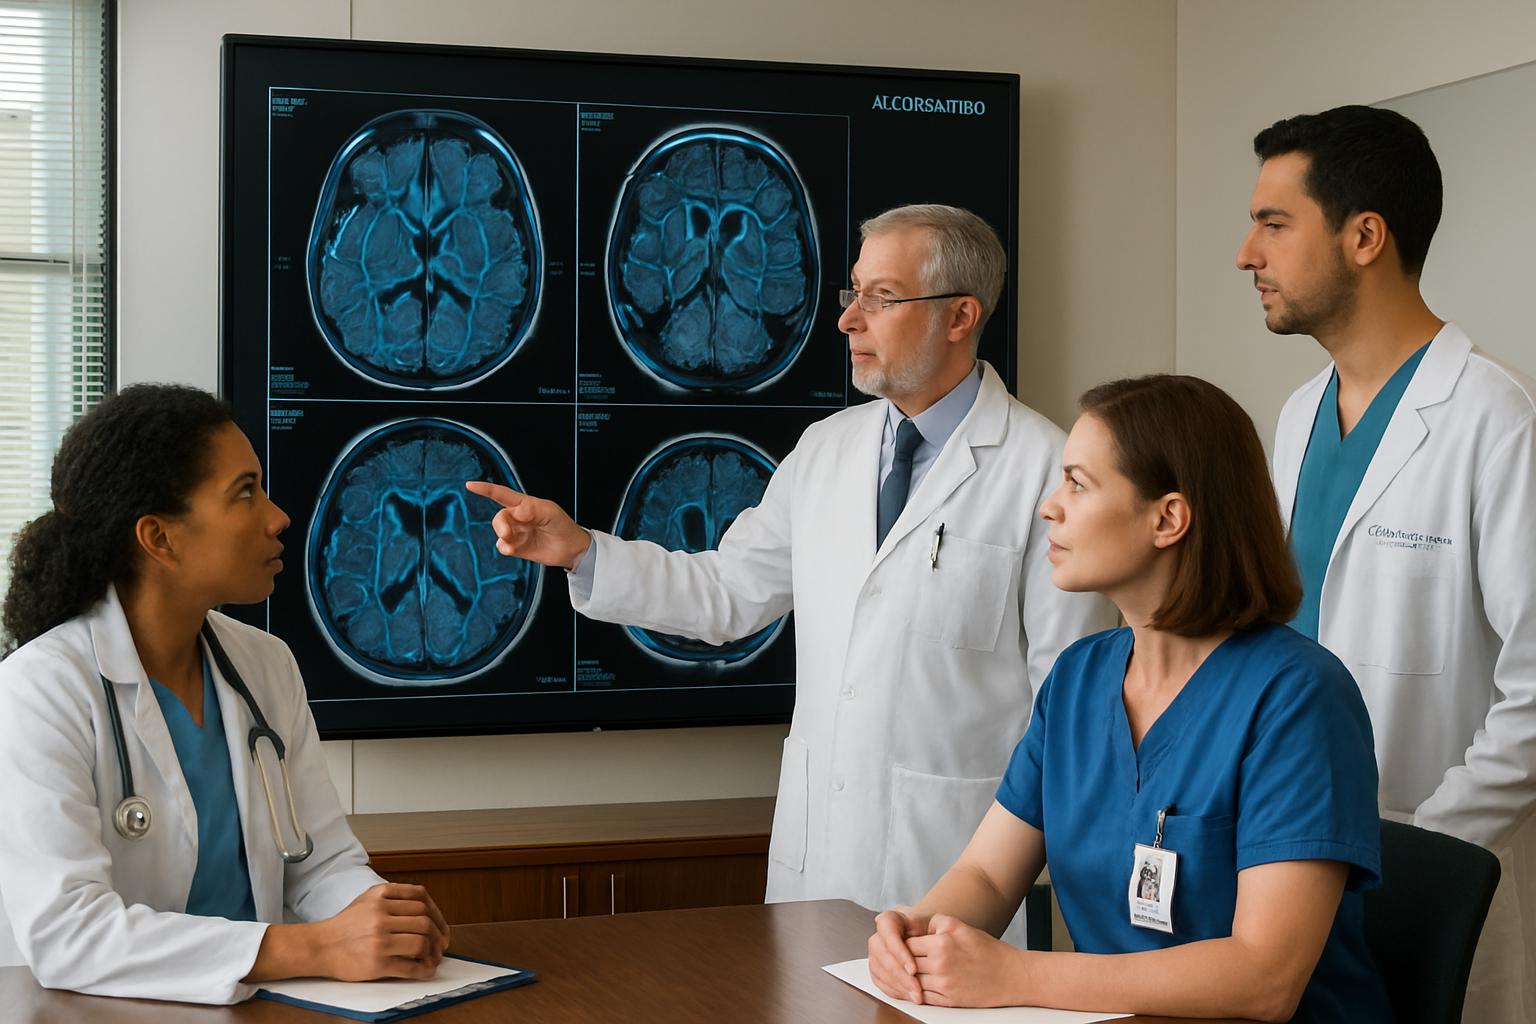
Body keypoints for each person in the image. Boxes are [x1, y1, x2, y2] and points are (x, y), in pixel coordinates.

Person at [469, 204, 1111, 939]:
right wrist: (584, 550)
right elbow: (727, 595)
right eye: (853, 292)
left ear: (960, 315)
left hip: (958, 880)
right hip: (818, 872)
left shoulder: (1044, 469)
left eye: (881, 297)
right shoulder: (825, 450)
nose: (848, 320)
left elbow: (1069, 707)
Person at [867, 375, 1391, 1023]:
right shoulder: (1080, 678)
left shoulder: (1299, 698)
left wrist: (1017, 972)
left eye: (1078, 484)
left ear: (1168, 518)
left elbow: (1265, 978)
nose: (1048, 508)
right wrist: (917, 932)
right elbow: (990, 876)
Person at [0, 384, 449, 1004]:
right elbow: (69, 934)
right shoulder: (41, 689)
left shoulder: (264, 665)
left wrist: (379, 917)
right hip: (98, 1013)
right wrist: (314, 947)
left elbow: (317, 862)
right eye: (245, 492)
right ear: (160, 538)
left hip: (260, 1006)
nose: (277, 516)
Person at [1237, 104, 1536, 1022]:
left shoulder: (1493, 420)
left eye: (1274, 224)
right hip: (1286, 870)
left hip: (1430, 873)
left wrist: (1416, 855)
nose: (1246, 253)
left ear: (1365, 236)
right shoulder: (1296, 416)